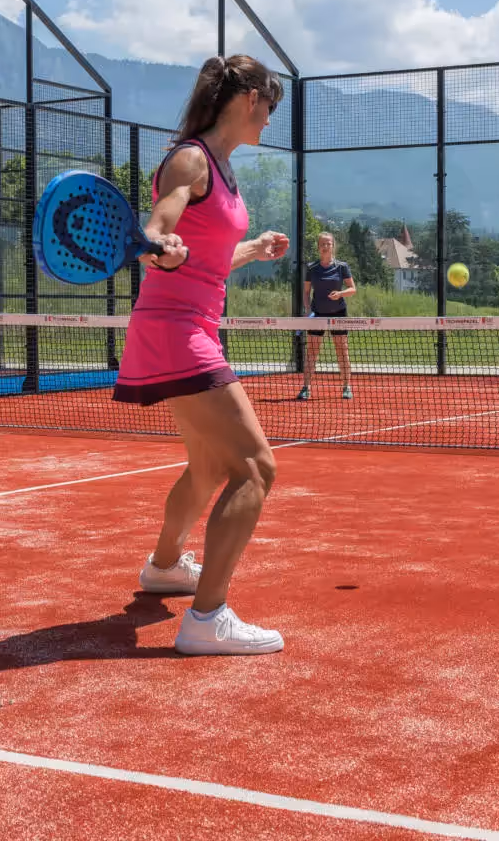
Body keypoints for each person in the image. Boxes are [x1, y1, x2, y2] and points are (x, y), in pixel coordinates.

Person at [112, 54, 290, 656]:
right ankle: (207, 616)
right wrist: (160, 243)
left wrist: (252, 249)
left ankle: (165, 568)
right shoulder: (191, 159)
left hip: (191, 324)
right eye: (269, 107)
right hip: (175, 329)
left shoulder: (226, 171)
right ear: (248, 101)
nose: (269, 121)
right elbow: (162, 222)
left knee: (211, 467)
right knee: (256, 468)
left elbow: (206, 262)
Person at [299, 231, 355, 401]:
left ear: (333, 246)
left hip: (338, 313)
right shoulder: (311, 268)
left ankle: (346, 386)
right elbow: (306, 292)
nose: (325, 247)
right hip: (317, 314)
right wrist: (308, 309)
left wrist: (340, 294)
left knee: (342, 351)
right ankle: (306, 388)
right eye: (322, 244)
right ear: (318, 247)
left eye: (328, 243)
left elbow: (353, 289)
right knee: (312, 352)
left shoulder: (342, 266)